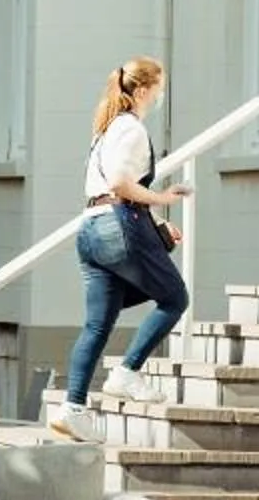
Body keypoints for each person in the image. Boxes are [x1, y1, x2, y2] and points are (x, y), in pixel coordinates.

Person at [50, 57, 190, 445]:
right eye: (158, 88)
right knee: (175, 296)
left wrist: (155, 225)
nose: (160, 96)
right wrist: (162, 198)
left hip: (92, 228)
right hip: (119, 225)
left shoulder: (107, 129)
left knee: (99, 322)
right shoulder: (131, 129)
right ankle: (127, 373)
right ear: (143, 90)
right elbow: (120, 183)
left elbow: (106, 189)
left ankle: (73, 409)